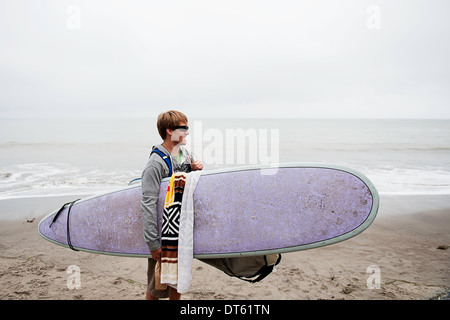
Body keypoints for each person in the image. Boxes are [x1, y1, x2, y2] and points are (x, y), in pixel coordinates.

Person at [141, 110, 203, 300]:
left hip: (179, 231)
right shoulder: (155, 163)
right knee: (157, 286)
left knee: (177, 282)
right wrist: (152, 242)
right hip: (162, 233)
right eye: (183, 128)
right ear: (169, 130)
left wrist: (196, 167)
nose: (187, 132)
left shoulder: (184, 154)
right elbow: (148, 203)